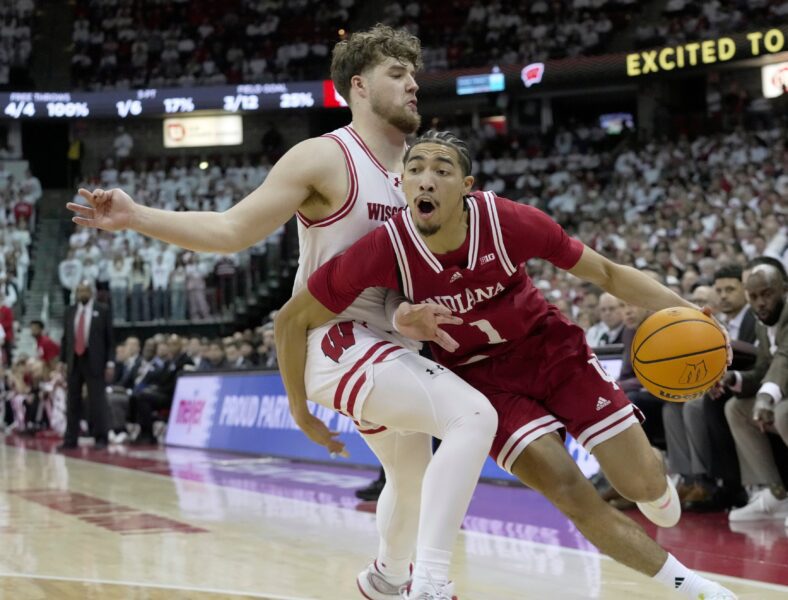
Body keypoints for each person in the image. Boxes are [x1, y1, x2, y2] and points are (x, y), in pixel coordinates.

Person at [69, 26, 489, 599]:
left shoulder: (423, 172)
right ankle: (433, 583)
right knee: (471, 418)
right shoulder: (325, 156)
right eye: (398, 74)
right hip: (334, 340)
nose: (414, 84)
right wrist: (137, 215)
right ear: (359, 87)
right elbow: (231, 229)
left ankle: (385, 580)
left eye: (414, 74)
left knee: (410, 478)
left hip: (394, 341)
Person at [284, 130, 736, 600]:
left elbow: (606, 273)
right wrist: (300, 404)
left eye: (442, 170)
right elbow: (293, 318)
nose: (426, 180)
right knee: (569, 491)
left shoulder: (507, 222)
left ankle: (656, 484)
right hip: (485, 384)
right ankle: (695, 588)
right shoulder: (387, 247)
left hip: (552, 351)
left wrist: (685, 309)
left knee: (642, 483)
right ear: (401, 184)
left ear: (467, 186)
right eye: (415, 169)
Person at [722, 263, 788, 523]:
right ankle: (774, 494)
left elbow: (785, 357)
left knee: (783, 413)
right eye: (754, 297)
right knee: (736, 408)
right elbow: (764, 367)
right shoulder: (763, 323)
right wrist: (732, 378)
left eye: (767, 294)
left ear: (784, 290)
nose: (760, 303)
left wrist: (766, 397)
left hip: (783, 398)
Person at [58, 281, 114, 450]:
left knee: (97, 401)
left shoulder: (102, 310)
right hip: (74, 359)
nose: (82, 293)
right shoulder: (70, 311)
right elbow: (65, 338)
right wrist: (62, 361)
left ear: (91, 292)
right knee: (72, 401)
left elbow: (110, 339)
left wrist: (110, 363)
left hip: (94, 360)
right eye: (79, 290)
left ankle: (101, 438)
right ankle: (70, 439)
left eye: (85, 291)